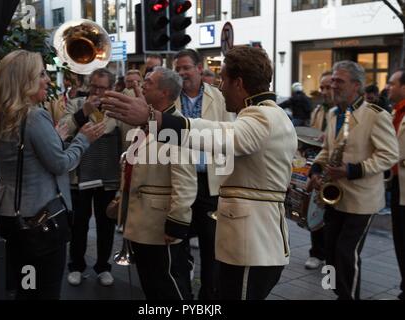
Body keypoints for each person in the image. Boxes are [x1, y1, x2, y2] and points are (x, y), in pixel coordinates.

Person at [102, 46, 298, 300]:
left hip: (254, 246)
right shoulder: (262, 114)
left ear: (238, 83)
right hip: (249, 244)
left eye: (223, 79)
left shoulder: (263, 115)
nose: (219, 85)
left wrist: (156, 119)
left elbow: (222, 136)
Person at [0, 50, 105, 299]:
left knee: (26, 284)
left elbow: (24, 156)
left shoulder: (3, 115)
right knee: (46, 291)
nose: (47, 80)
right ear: (24, 80)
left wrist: (56, 138)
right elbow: (60, 164)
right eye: (41, 74)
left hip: (10, 216)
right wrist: (83, 140)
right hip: (41, 222)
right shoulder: (35, 116)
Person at [307, 61, 398, 300]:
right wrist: (316, 169)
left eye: (339, 81)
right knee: (331, 252)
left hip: (362, 199)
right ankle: (335, 292)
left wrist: (353, 170)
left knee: (347, 253)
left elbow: (389, 155)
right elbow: (327, 150)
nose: (333, 85)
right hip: (334, 195)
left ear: (356, 86)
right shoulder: (333, 112)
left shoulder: (376, 115)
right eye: (333, 80)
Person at [122, 67, 197, 300]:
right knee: (152, 288)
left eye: (149, 83)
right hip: (141, 223)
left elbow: (185, 181)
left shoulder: (176, 127)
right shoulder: (143, 124)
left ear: (164, 92)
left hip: (160, 226)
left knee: (170, 288)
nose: (142, 85)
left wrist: (176, 223)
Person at [173, 49, 234, 299]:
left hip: (210, 183)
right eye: (178, 69)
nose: (182, 73)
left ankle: (209, 297)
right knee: (179, 242)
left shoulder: (218, 97)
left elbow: (230, 134)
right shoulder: (170, 95)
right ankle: (183, 295)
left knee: (212, 246)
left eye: (186, 67)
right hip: (177, 181)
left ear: (200, 68)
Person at [60, 68, 120, 287]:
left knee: (106, 224)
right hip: (80, 176)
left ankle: (103, 266)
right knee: (79, 224)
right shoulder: (76, 103)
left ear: (111, 88)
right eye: (93, 86)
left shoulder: (116, 108)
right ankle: (76, 265)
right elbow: (63, 129)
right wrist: (82, 112)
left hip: (108, 176)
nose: (96, 91)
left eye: (102, 88)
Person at [304, 71, 333, 270]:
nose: (323, 91)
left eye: (327, 87)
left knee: (331, 216)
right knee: (316, 209)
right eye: (321, 87)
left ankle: (329, 254)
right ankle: (316, 252)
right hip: (319, 163)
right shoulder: (319, 110)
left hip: (335, 168)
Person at [386, 67, 405, 300]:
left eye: (392, 83)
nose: (388, 87)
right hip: (397, 184)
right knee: (400, 239)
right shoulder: (393, 113)